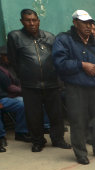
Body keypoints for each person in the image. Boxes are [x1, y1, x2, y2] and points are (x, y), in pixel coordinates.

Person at [52, 9, 95, 165]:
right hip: (76, 89)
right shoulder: (64, 40)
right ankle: (81, 153)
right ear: (75, 23)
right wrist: (82, 65)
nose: (88, 27)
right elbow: (59, 64)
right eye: (84, 23)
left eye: (90, 23)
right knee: (78, 122)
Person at [7, 8, 71, 152]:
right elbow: (13, 60)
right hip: (30, 85)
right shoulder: (15, 36)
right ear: (22, 21)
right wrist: (23, 76)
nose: (31, 23)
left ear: (38, 21)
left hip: (51, 83)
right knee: (34, 116)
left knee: (56, 114)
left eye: (34, 20)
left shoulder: (49, 36)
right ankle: (38, 141)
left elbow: (57, 58)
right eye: (27, 20)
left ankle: (58, 139)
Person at [0, 46, 31, 145]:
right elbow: (9, 86)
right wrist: (24, 91)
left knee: (25, 103)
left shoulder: (10, 67)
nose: (8, 58)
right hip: (3, 97)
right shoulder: (1, 70)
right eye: (6, 56)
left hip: (8, 97)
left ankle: (21, 132)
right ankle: (1, 137)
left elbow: (18, 81)